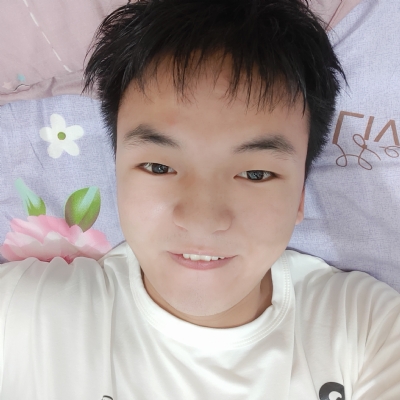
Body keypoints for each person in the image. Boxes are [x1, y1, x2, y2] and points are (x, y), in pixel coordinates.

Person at [1, 0, 399, 399]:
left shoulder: (368, 331)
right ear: (116, 174)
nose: (202, 220)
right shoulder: (28, 316)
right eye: (158, 167)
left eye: (255, 174)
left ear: (299, 197)